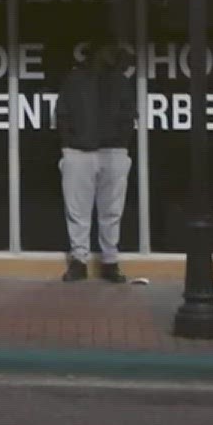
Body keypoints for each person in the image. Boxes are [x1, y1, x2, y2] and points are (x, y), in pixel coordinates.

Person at [56, 42, 137, 282]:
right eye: (106, 52)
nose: (109, 57)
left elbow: (129, 114)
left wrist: (121, 140)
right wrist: (69, 143)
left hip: (112, 151)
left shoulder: (120, 81)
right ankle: (80, 260)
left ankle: (109, 261)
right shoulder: (75, 79)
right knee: (78, 212)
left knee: (111, 211)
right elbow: (62, 113)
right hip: (80, 151)